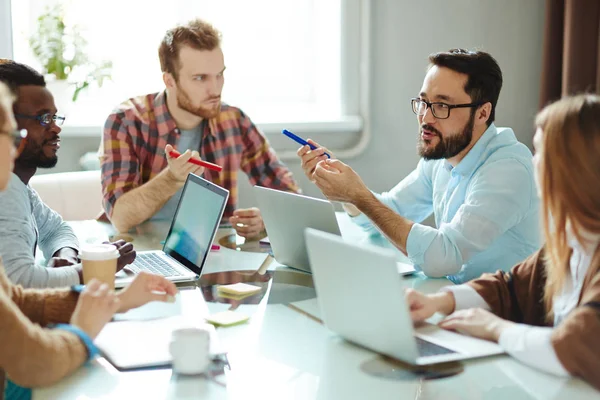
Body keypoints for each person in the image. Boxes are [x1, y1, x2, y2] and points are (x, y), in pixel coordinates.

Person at [406, 94, 600, 389]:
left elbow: (573, 346)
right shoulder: (571, 243)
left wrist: (495, 329)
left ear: (573, 169)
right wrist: (439, 301)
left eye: (540, 151)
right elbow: (509, 286)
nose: (534, 162)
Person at [0, 79, 178, 400]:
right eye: (11, 135)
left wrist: (115, 302)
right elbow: (35, 362)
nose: (14, 147)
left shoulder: (18, 189)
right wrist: (83, 331)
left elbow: (16, 298)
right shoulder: (7, 193)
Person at [298, 49, 540, 283]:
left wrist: (359, 196)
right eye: (423, 102)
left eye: (442, 106)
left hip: (504, 314)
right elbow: (391, 212)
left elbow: (445, 256)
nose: (426, 118)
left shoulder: (508, 169)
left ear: (482, 113)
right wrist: (344, 189)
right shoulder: (442, 155)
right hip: (455, 299)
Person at [100, 18, 299, 237]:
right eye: (200, 78)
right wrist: (172, 178)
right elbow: (120, 217)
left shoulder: (234, 120)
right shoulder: (127, 121)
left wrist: (266, 220)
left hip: (211, 252)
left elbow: (290, 196)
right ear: (169, 81)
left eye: (219, 75)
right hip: (142, 250)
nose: (215, 89)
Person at [0, 60, 134, 288]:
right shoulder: (6, 191)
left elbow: (56, 229)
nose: (55, 127)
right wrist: (98, 267)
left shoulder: (18, 185)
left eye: (54, 117)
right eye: (43, 118)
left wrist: (67, 257)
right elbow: (20, 282)